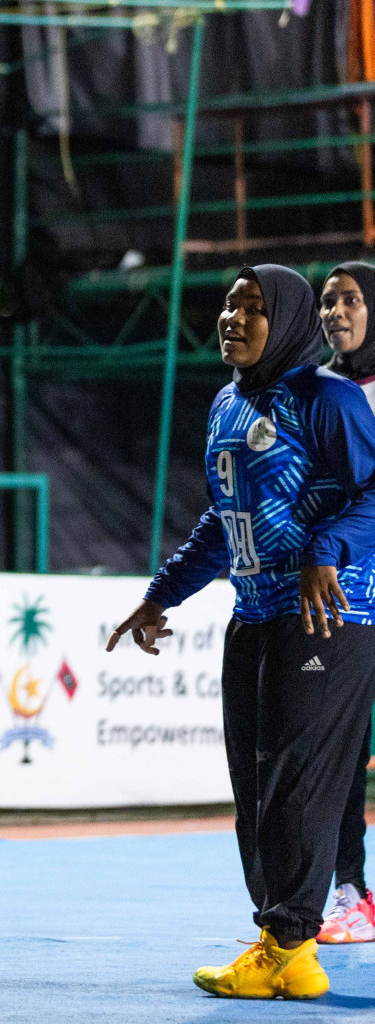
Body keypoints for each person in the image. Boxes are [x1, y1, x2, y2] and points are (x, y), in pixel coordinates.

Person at [107, 265, 375, 1000]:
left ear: (285, 320)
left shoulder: (329, 399)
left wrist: (328, 550)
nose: (234, 317)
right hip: (254, 613)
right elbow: (222, 525)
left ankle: (294, 944)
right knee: (254, 787)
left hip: (330, 614)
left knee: (296, 786)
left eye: (254, 307)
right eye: (229, 304)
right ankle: (279, 942)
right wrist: (160, 596)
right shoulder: (227, 404)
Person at [315, 261, 375, 944]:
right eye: (328, 301)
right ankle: (351, 891)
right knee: (341, 753)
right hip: (346, 599)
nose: (335, 311)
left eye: (351, 299)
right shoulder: (318, 393)